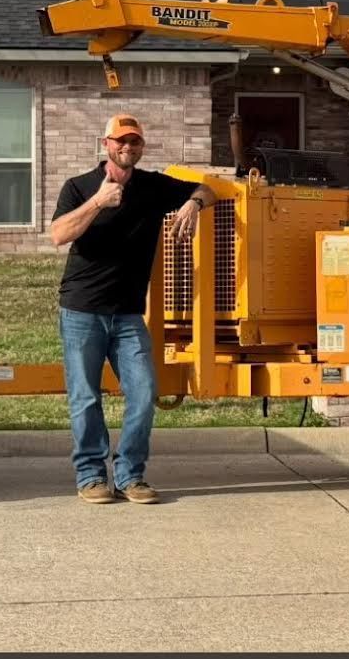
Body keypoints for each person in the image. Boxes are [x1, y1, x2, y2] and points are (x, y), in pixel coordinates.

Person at [51, 113, 216, 505]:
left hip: (128, 314)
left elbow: (208, 190)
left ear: (142, 147)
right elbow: (58, 234)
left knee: (144, 392)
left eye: (135, 142)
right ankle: (91, 476)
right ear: (105, 143)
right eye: (120, 141)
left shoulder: (153, 187)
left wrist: (193, 203)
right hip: (82, 311)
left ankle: (130, 476)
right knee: (85, 397)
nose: (128, 147)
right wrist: (98, 202)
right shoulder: (79, 187)